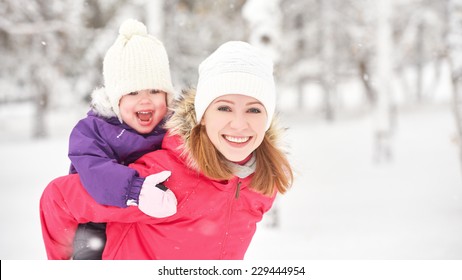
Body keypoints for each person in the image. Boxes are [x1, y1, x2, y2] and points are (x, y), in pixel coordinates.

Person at [40, 40, 293, 259]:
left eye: (254, 109)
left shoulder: (262, 182)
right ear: (202, 116)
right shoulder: (163, 178)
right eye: (224, 108)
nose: (239, 124)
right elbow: (59, 199)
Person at [40, 18, 178, 260]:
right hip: (98, 223)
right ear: (115, 99)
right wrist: (135, 188)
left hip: (151, 224)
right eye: (133, 92)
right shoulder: (94, 129)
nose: (145, 100)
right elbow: (95, 170)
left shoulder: (174, 129)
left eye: (155, 91)